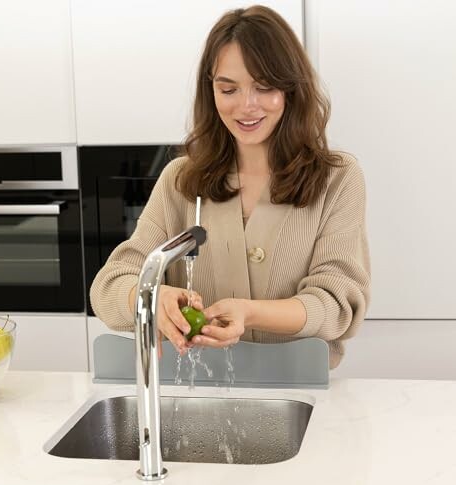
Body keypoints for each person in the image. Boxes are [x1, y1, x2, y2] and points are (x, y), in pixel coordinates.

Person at [90, 5, 371, 369]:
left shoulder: (338, 178)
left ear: (290, 90)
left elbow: (337, 304)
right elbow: (108, 286)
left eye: (264, 87)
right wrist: (148, 297)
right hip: (194, 388)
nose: (246, 106)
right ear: (212, 92)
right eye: (228, 89)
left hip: (301, 385)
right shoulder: (180, 180)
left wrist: (250, 313)